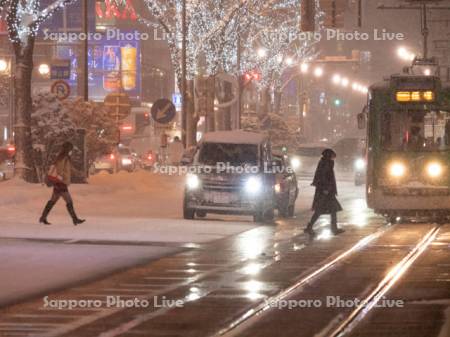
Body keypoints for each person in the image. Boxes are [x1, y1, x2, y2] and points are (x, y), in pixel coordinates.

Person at [39, 142, 85, 226]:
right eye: (70, 149)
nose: (71, 150)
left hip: (59, 183)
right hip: (61, 183)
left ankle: (43, 217)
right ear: (67, 149)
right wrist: (61, 179)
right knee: (69, 201)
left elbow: (69, 168)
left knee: (53, 200)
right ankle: (75, 219)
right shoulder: (63, 158)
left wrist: (77, 172)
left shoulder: (64, 157)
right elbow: (60, 170)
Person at [304, 149, 344, 237]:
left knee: (325, 209)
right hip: (326, 191)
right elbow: (324, 177)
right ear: (329, 156)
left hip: (326, 190)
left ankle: (311, 227)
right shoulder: (326, 163)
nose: (334, 158)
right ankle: (333, 228)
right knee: (326, 209)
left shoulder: (325, 163)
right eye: (333, 156)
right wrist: (326, 189)